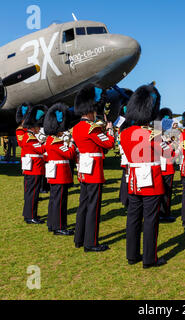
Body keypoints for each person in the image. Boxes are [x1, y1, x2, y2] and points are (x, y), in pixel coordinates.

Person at [120, 83, 171, 268]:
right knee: (150, 220)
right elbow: (170, 154)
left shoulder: (125, 133)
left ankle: (132, 255)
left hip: (133, 180)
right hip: (152, 180)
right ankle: (150, 258)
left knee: (133, 218)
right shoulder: (152, 134)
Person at [72, 84, 115, 252]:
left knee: (83, 204)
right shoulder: (92, 128)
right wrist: (110, 130)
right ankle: (91, 242)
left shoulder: (77, 128)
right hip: (94, 170)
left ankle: (79, 238)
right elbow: (109, 143)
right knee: (93, 207)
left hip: (83, 169)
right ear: (91, 109)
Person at [43, 103, 77, 236]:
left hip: (56, 172)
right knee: (60, 201)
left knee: (54, 199)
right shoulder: (55, 141)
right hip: (60, 173)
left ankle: (52, 224)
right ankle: (59, 226)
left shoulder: (51, 140)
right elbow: (69, 154)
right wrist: (72, 143)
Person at [20, 105, 48, 224]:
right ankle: (31, 216)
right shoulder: (30, 137)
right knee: (33, 193)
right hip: (34, 169)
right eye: (37, 126)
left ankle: (29, 214)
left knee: (31, 193)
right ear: (34, 126)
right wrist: (49, 142)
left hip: (33, 168)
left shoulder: (31, 136)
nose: (38, 129)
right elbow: (41, 150)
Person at [156, 108, 177, 223]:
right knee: (166, 193)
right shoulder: (161, 137)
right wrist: (173, 145)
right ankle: (164, 214)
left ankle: (162, 212)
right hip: (166, 167)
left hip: (161, 166)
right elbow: (168, 152)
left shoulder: (160, 135)